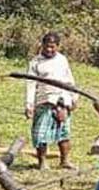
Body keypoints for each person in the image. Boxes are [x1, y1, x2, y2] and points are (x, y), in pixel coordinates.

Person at [24, 32, 78, 171]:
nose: (49, 50)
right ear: (42, 45)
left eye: (52, 47)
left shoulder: (62, 60)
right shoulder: (35, 62)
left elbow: (69, 80)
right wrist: (29, 105)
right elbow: (30, 84)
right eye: (47, 47)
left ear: (58, 47)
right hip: (45, 100)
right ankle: (42, 162)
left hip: (62, 100)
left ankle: (65, 160)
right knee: (40, 135)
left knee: (64, 133)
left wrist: (74, 97)